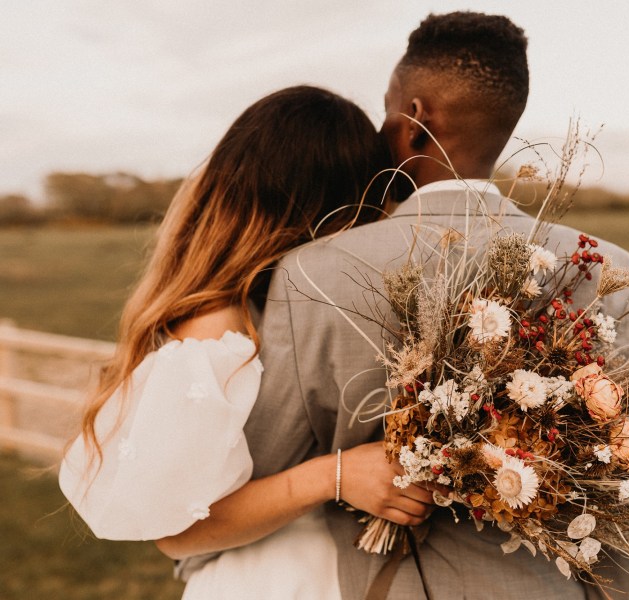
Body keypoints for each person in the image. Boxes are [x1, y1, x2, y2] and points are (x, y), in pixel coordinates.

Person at [238, 11, 629, 600]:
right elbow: (626, 477)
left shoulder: (312, 271)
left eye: (387, 110)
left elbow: (265, 469)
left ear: (413, 120)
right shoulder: (605, 270)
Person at [59, 85, 439, 599]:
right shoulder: (220, 328)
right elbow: (177, 534)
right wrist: (335, 474)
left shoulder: (285, 308)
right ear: (333, 206)